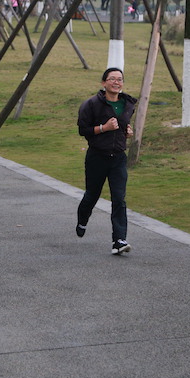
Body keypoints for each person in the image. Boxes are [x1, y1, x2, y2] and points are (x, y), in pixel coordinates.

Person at [76, 68, 135, 255]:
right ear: (104, 83)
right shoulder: (91, 104)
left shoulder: (127, 104)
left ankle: (119, 240)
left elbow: (123, 125)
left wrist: (127, 133)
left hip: (118, 158)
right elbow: (83, 130)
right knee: (92, 195)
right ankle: (82, 219)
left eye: (120, 79)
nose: (117, 82)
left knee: (119, 198)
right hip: (97, 157)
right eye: (112, 79)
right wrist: (104, 128)